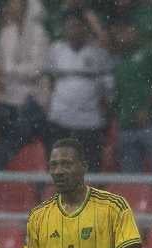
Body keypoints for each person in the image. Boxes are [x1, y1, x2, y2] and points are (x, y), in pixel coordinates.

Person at [43, 12, 113, 170]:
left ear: (85, 29)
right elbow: (47, 79)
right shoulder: (56, 50)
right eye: (69, 27)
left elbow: (108, 87)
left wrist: (106, 106)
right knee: (58, 166)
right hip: (60, 117)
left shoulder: (98, 53)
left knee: (91, 167)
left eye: (77, 26)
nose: (73, 30)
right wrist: (46, 100)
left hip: (89, 120)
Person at [0, 0, 49, 172]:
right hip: (7, 100)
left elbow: (36, 70)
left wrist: (9, 71)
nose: (9, 8)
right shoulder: (6, 33)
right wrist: (2, 75)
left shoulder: (40, 34)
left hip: (32, 102)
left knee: (17, 129)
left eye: (14, 4)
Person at [111, 18, 152, 173]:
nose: (122, 35)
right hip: (127, 125)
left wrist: (148, 108)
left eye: (125, 30)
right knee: (131, 181)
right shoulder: (119, 61)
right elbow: (118, 94)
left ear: (134, 30)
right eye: (118, 32)